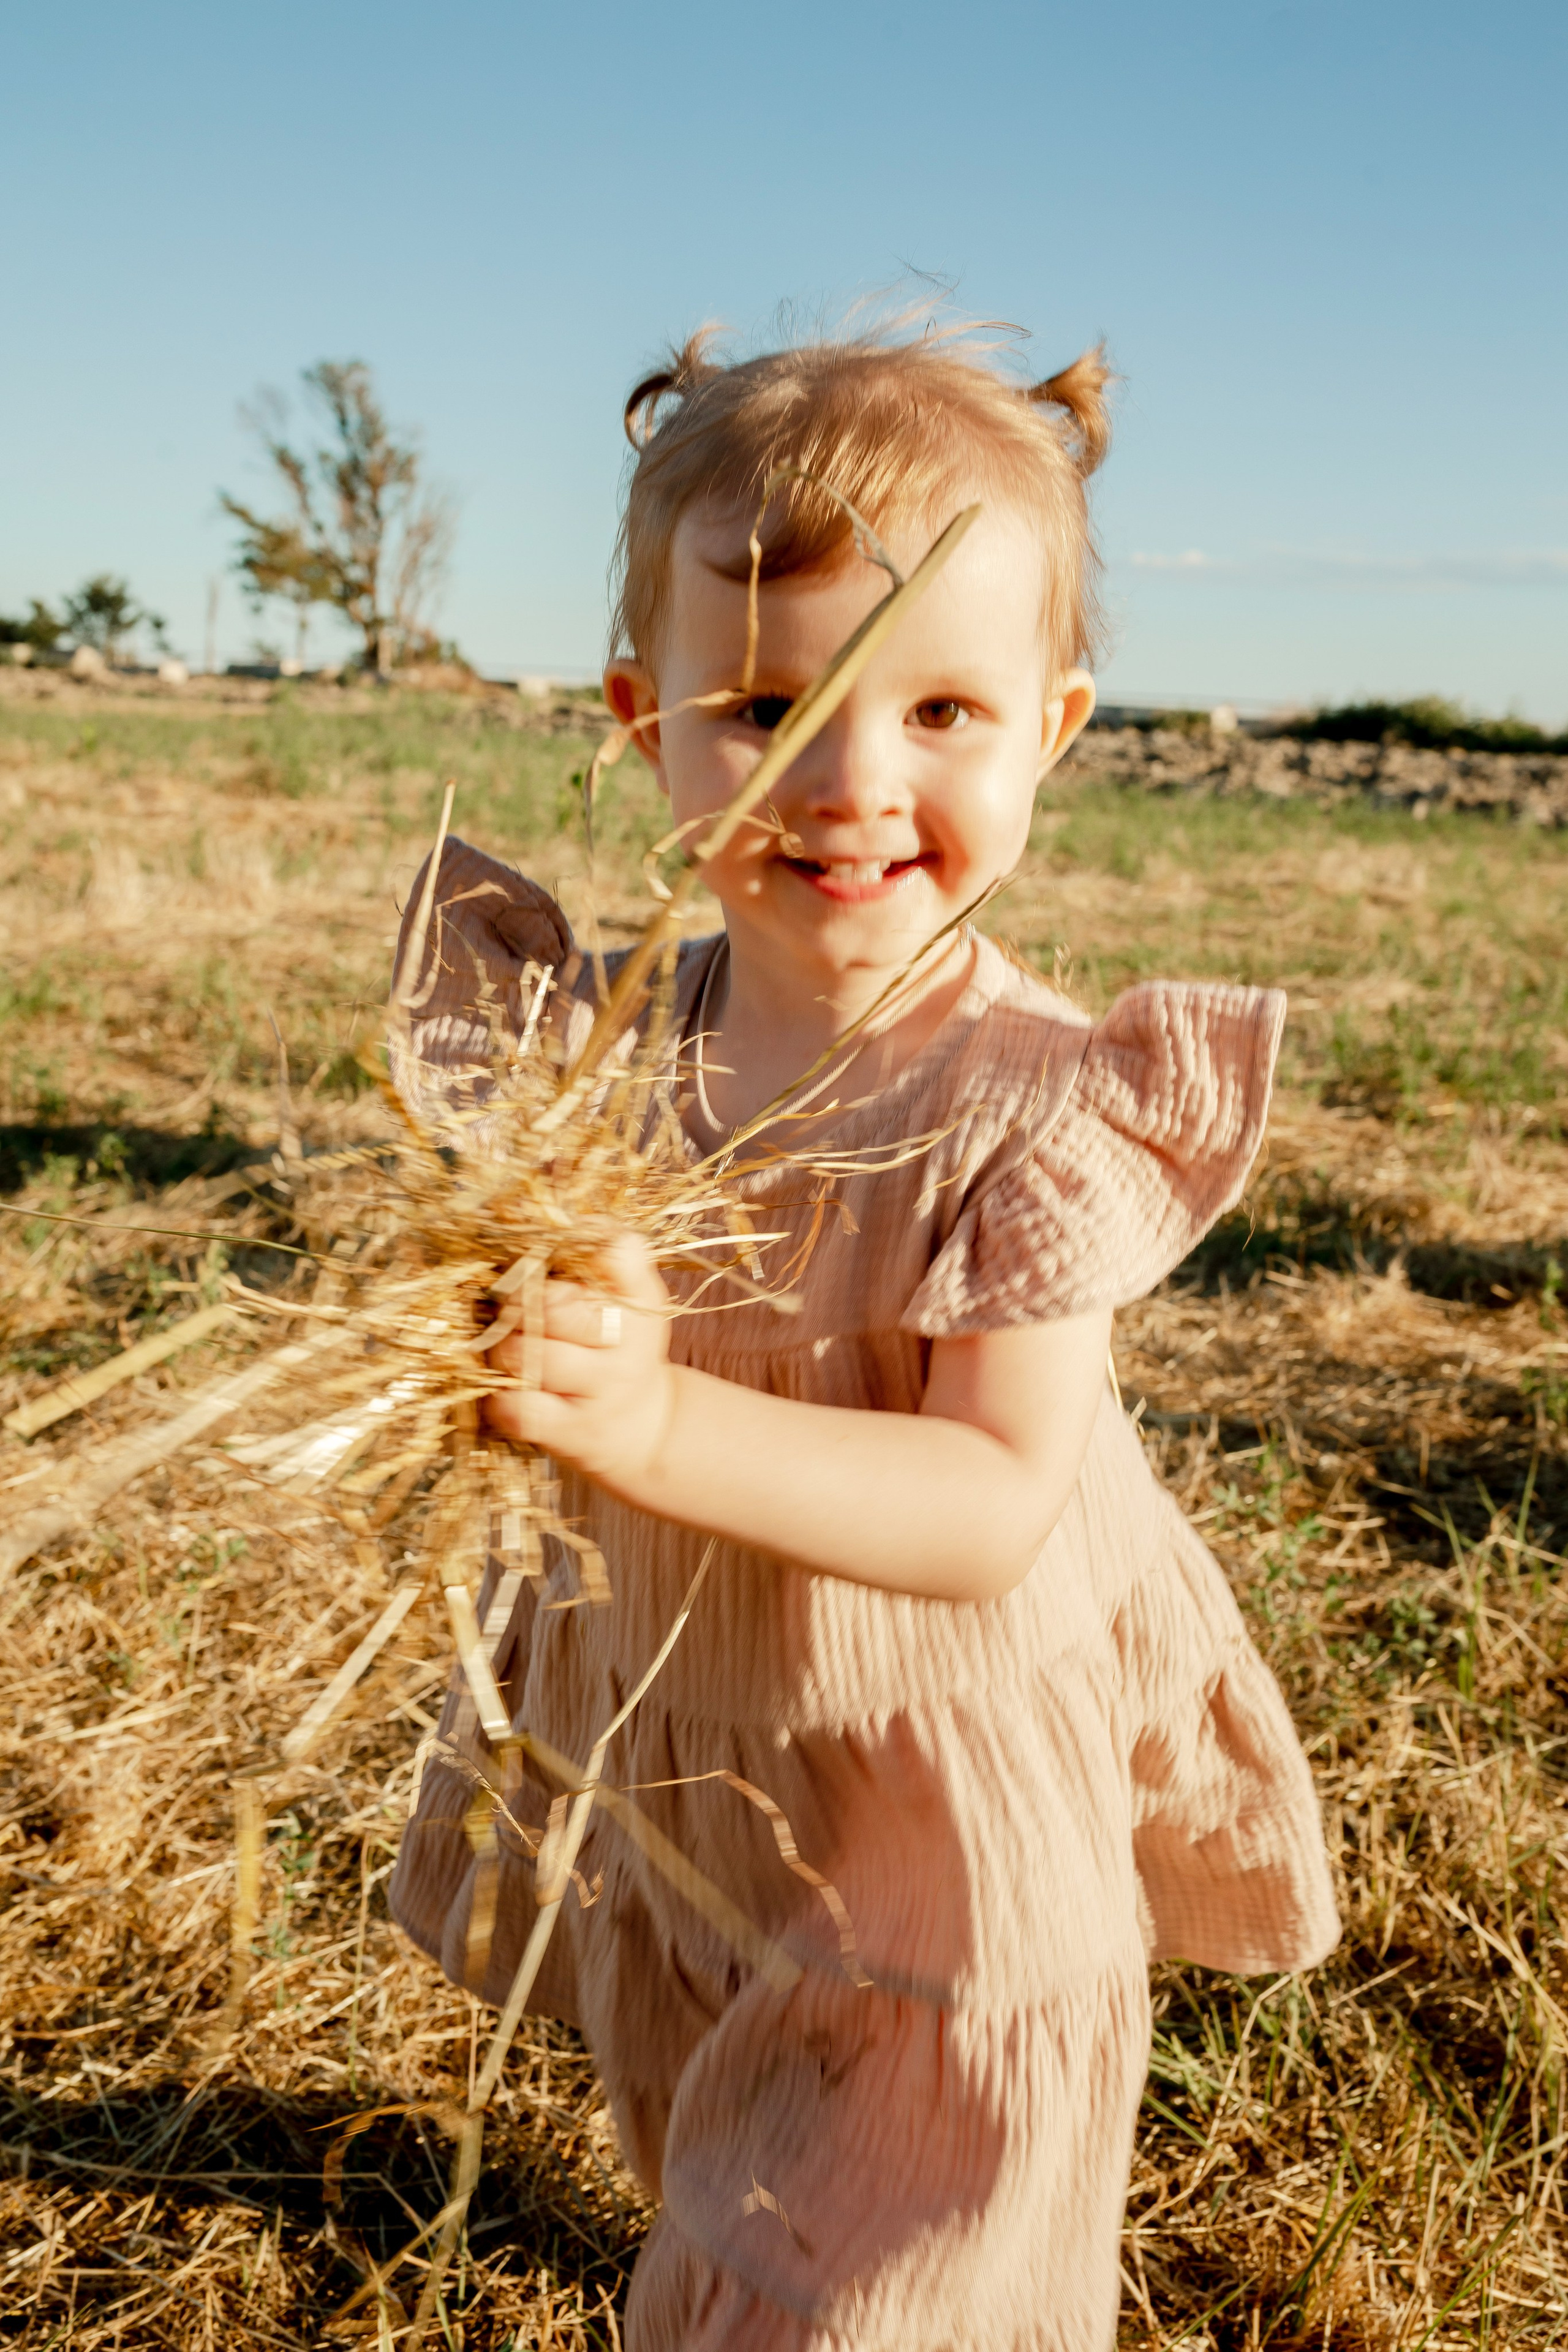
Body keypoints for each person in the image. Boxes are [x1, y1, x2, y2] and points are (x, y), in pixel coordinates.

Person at [388, 321, 1338, 2350]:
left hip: (928, 1799)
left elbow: (994, 1498)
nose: (852, 780)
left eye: (940, 709)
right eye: (767, 703)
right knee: (721, 2122)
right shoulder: (614, 1055)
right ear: (648, 721)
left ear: (1051, 729)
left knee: (875, 2283)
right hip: (695, 1738)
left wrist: (647, 1420)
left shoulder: (1029, 1100)